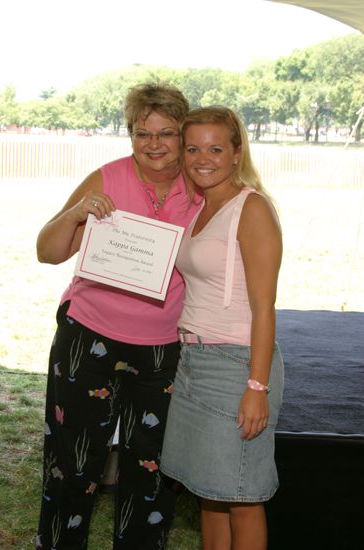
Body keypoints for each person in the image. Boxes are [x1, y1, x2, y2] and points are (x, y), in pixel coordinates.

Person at [35, 82, 201, 550]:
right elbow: (47, 252)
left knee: (150, 469)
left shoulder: (201, 185)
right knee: (73, 464)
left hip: (163, 348)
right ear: (129, 134)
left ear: (181, 133)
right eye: (141, 132)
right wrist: (75, 215)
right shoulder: (106, 177)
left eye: (166, 133)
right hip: (89, 337)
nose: (154, 144)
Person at [160, 106, 284, 550]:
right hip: (194, 361)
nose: (202, 158)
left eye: (215, 148)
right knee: (209, 492)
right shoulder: (201, 209)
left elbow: (265, 309)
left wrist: (257, 385)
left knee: (242, 494)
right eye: (192, 148)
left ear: (236, 153)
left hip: (236, 365)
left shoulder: (251, 209)